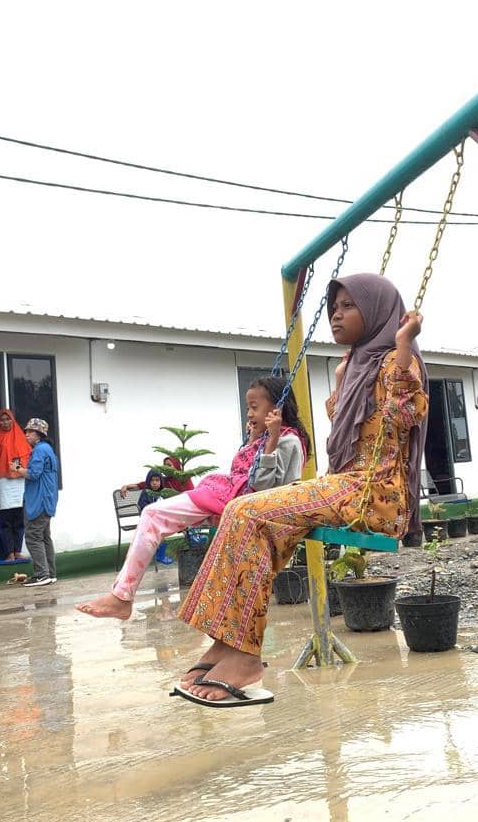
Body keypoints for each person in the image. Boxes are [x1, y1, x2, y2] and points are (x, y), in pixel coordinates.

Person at [175, 274, 428, 706]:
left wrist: (404, 344)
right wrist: (343, 381)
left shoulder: (393, 362)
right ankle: (225, 642)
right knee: (243, 511)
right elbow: (347, 437)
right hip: (344, 485)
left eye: (349, 305)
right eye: (334, 306)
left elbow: (405, 416)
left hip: (377, 495)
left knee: (250, 513)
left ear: (377, 310)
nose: (336, 313)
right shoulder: (360, 365)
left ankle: (246, 659)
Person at [77, 375, 311, 621]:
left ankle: (122, 597)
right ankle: (122, 596)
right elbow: (242, 470)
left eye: (255, 407)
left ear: (277, 408)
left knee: (154, 516)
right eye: (247, 408)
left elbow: (269, 489)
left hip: (242, 505)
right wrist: (255, 440)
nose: (250, 414)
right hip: (229, 498)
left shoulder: (289, 440)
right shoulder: (265, 435)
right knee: (155, 517)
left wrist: (271, 440)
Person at [0, 409, 31, 563]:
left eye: (7, 419)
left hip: (18, 483)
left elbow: (27, 456)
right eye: (2, 420)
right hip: (1, 482)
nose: (5, 422)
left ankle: (18, 551)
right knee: (5, 520)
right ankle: (9, 552)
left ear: (12, 420)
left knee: (18, 519)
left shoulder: (20, 438)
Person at [17, 418, 59, 587]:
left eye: (30, 432)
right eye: (26, 431)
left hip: (39, 500)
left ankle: (42, 574)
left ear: (39, 434)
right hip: (47, 499)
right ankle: (50, 573)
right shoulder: (47, 449)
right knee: (44, 537)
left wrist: (18, 469)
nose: (26, 434)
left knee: (33, 537)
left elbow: (33, 474)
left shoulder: (40, 450)